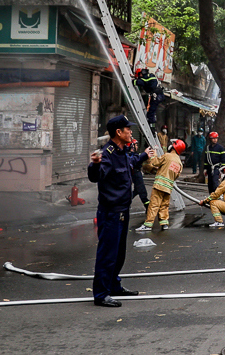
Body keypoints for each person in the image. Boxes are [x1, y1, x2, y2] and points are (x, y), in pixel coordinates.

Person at [88, 115, 154, 307]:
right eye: (128, 129)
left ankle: (114, 286)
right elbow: (96, 176)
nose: (130, 132)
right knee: (107, 254)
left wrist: (144, 155)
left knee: (119, 254)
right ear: (118, 132)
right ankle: (101, 294)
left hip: (123, 210)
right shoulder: (107, 154)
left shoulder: (121, 151)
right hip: (111, 213)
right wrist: (95, 164)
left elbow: (131, 162)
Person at [136, 139, 185, 232]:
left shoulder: (167, 156)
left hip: (159, 186)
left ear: (174, 146)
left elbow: (155, 162)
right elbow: (176, 175)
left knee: (154, 205)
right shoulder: (179, 163)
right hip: (168, 188)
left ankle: (148, 224)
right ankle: (164, 223)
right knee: (164, 206)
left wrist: (154, 153)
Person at [128, 139, 149, 209]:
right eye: (135, 145)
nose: (137, 146)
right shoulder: (130, 155)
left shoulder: (134, 154)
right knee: (142, 190)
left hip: (136, 172)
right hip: (136, 173)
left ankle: (127, 200)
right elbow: (136, 160)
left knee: (137, 190)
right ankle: (147, 206)